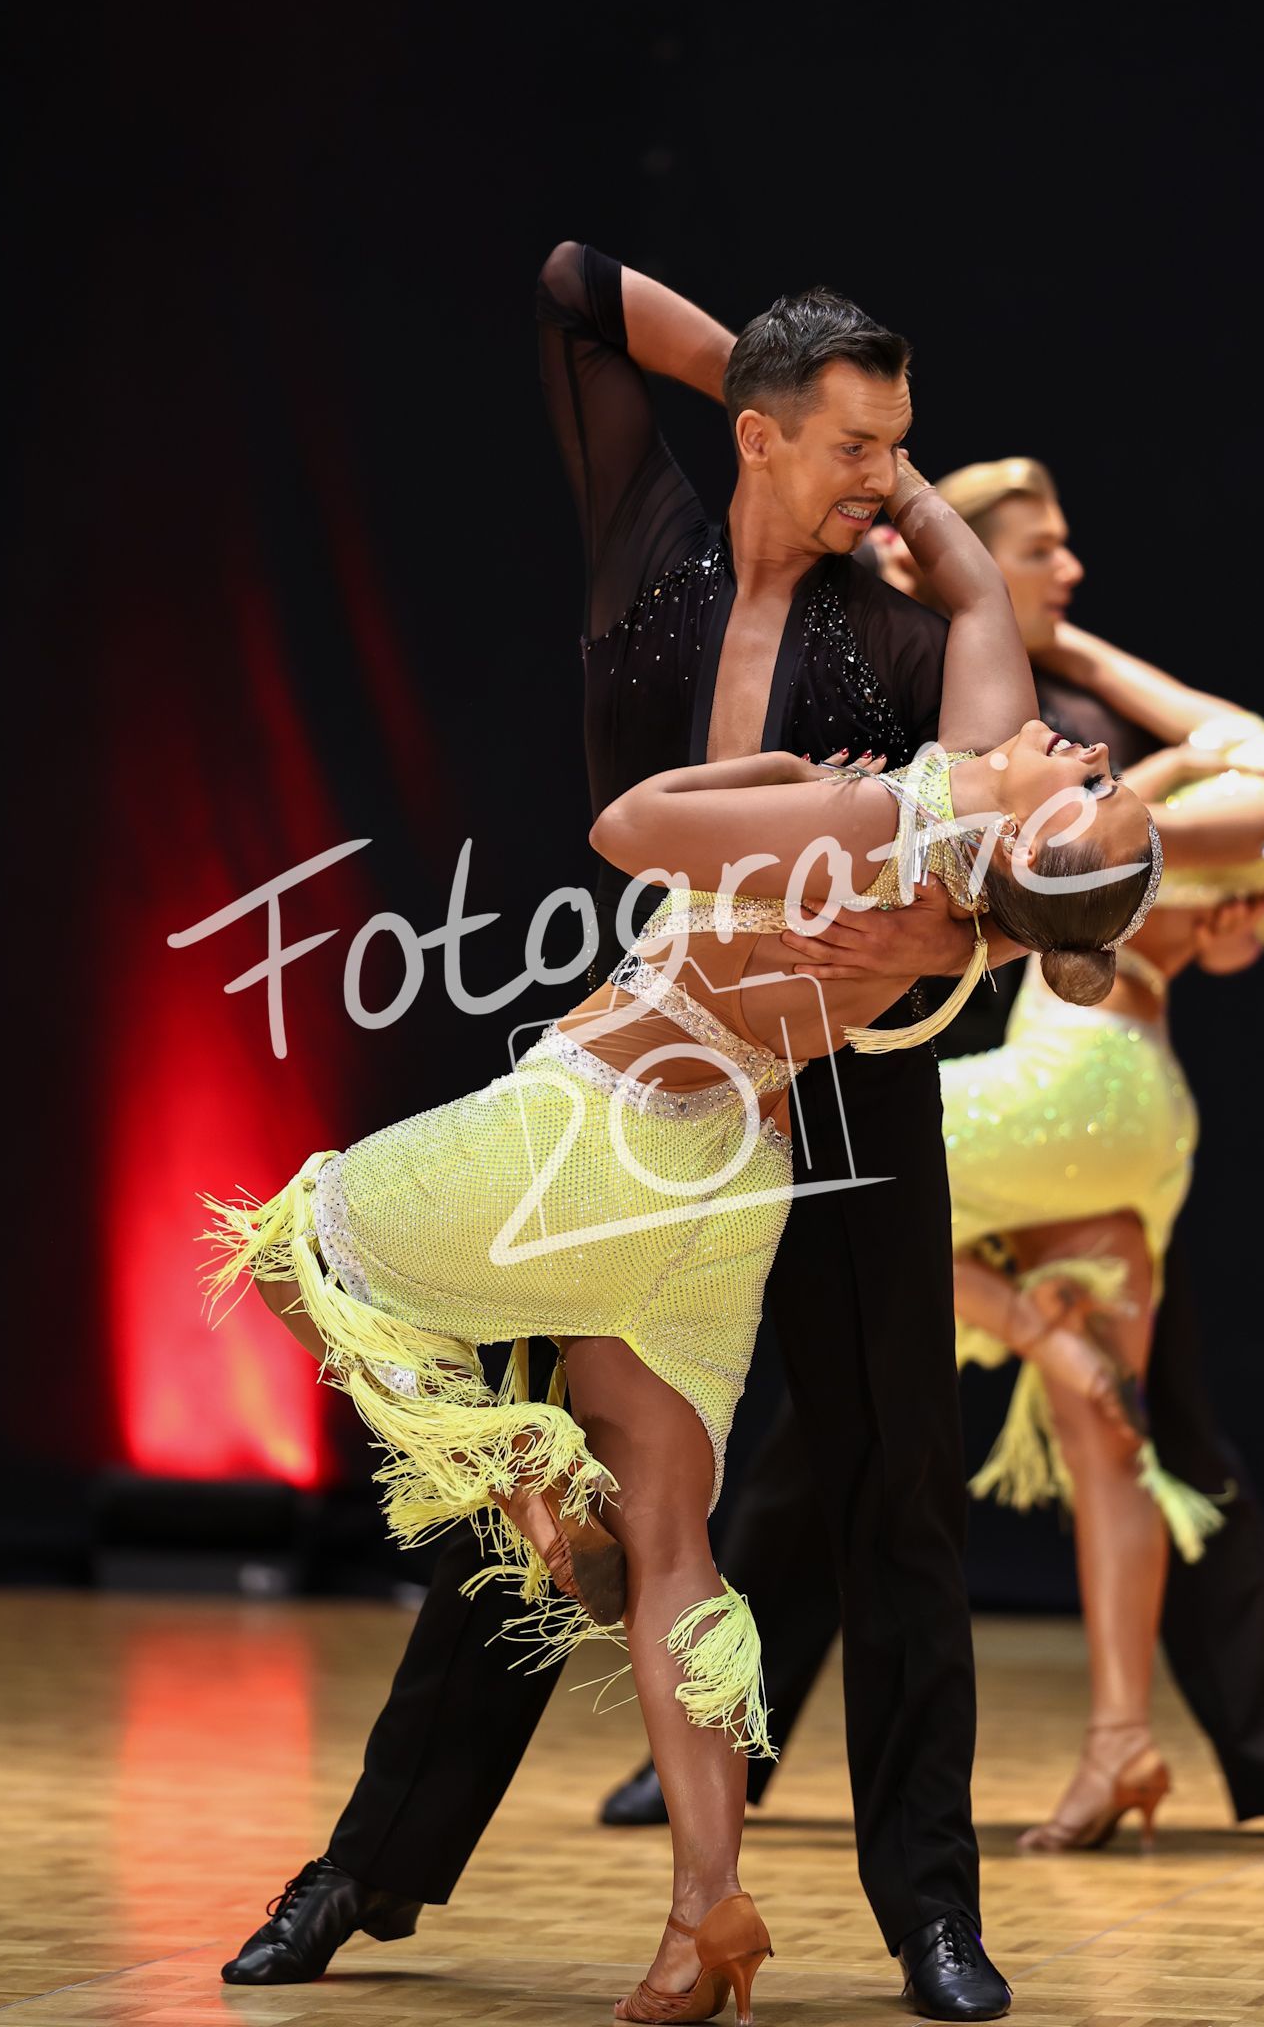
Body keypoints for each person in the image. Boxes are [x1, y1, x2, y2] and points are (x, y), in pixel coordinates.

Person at [209, 442, 1157, 2020]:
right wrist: (897, 493)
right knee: (664, 1538)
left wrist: (790, 782)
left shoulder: (907, 791)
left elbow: (637, 826)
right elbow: (997, 685)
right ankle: (689, 1905)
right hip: (733, 1170)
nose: (1093, 751)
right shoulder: (970, 888)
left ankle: (527, 1487)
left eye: (1096, 785)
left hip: (628, 1129)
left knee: (302, 1244)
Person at [603, 461, 1264, 1850]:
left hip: (1041, 1098)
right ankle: (754, 1749)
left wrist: (1172, 893)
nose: (1069, 571)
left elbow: (1150, 864)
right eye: (1040, 552)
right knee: (854, 1441)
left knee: (1148, 1421)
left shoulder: (1068, 743)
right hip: (965, 1091)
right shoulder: (916, 697)